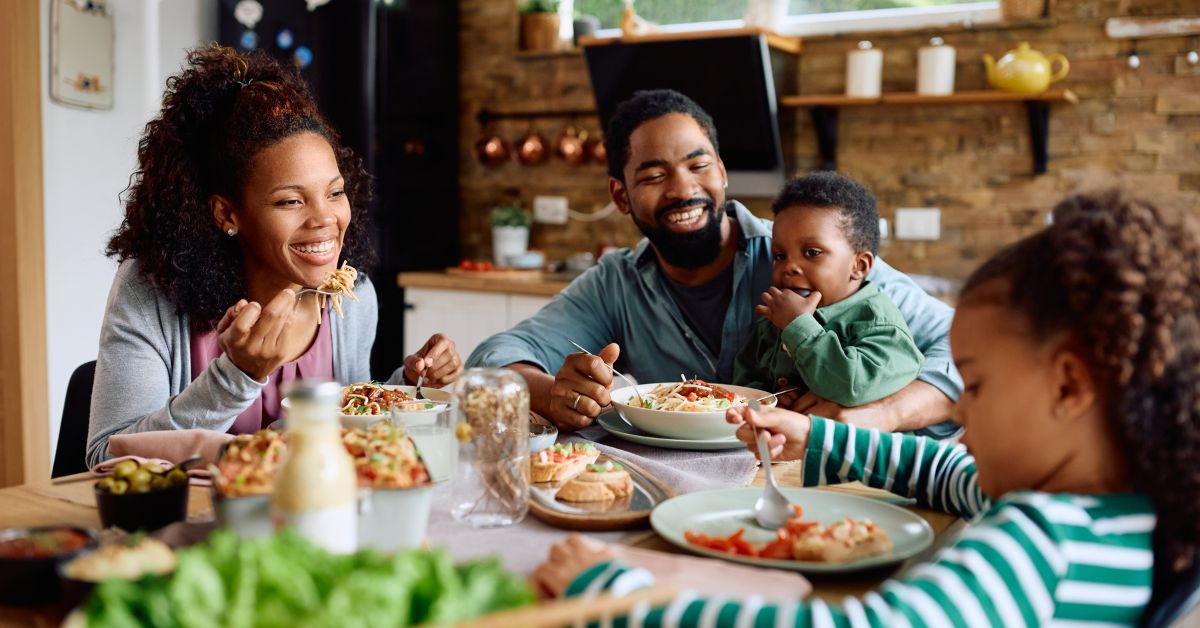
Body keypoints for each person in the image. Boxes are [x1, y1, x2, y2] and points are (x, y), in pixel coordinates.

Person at [534, 189, 1200, 626]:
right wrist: (819, 442)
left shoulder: (1037, 542)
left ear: (1069, 387)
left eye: (977, 385)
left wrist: (615, 597)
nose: (961, 411)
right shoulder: (1124, 507)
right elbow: (947, 476)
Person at [468, 89, 959, 436]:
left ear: (722, 173)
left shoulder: (800, 257)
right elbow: (494, 356)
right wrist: (551, 390)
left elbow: (959, 346)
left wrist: (882, 414)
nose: (684, 189)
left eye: (699, 165)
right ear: (621, 195)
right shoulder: (615, 284)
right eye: (655, 174)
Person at [86, 46, 462, 468]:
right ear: (227, 213)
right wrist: (236, 377)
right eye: (290, 201)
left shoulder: (351, 298)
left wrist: (408, 385)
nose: (326, 220)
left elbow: (349, 431)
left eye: (335, 193)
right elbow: (106, 456)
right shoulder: (149, 291)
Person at [733, 172, 922, 407]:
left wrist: (798, 326)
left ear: (859, 265)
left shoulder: (878, 322)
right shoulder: (776, 317)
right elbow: (743, 382)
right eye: (780, 255)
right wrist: (767, 398)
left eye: (812, 252)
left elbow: (852, 386)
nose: (789, 266)